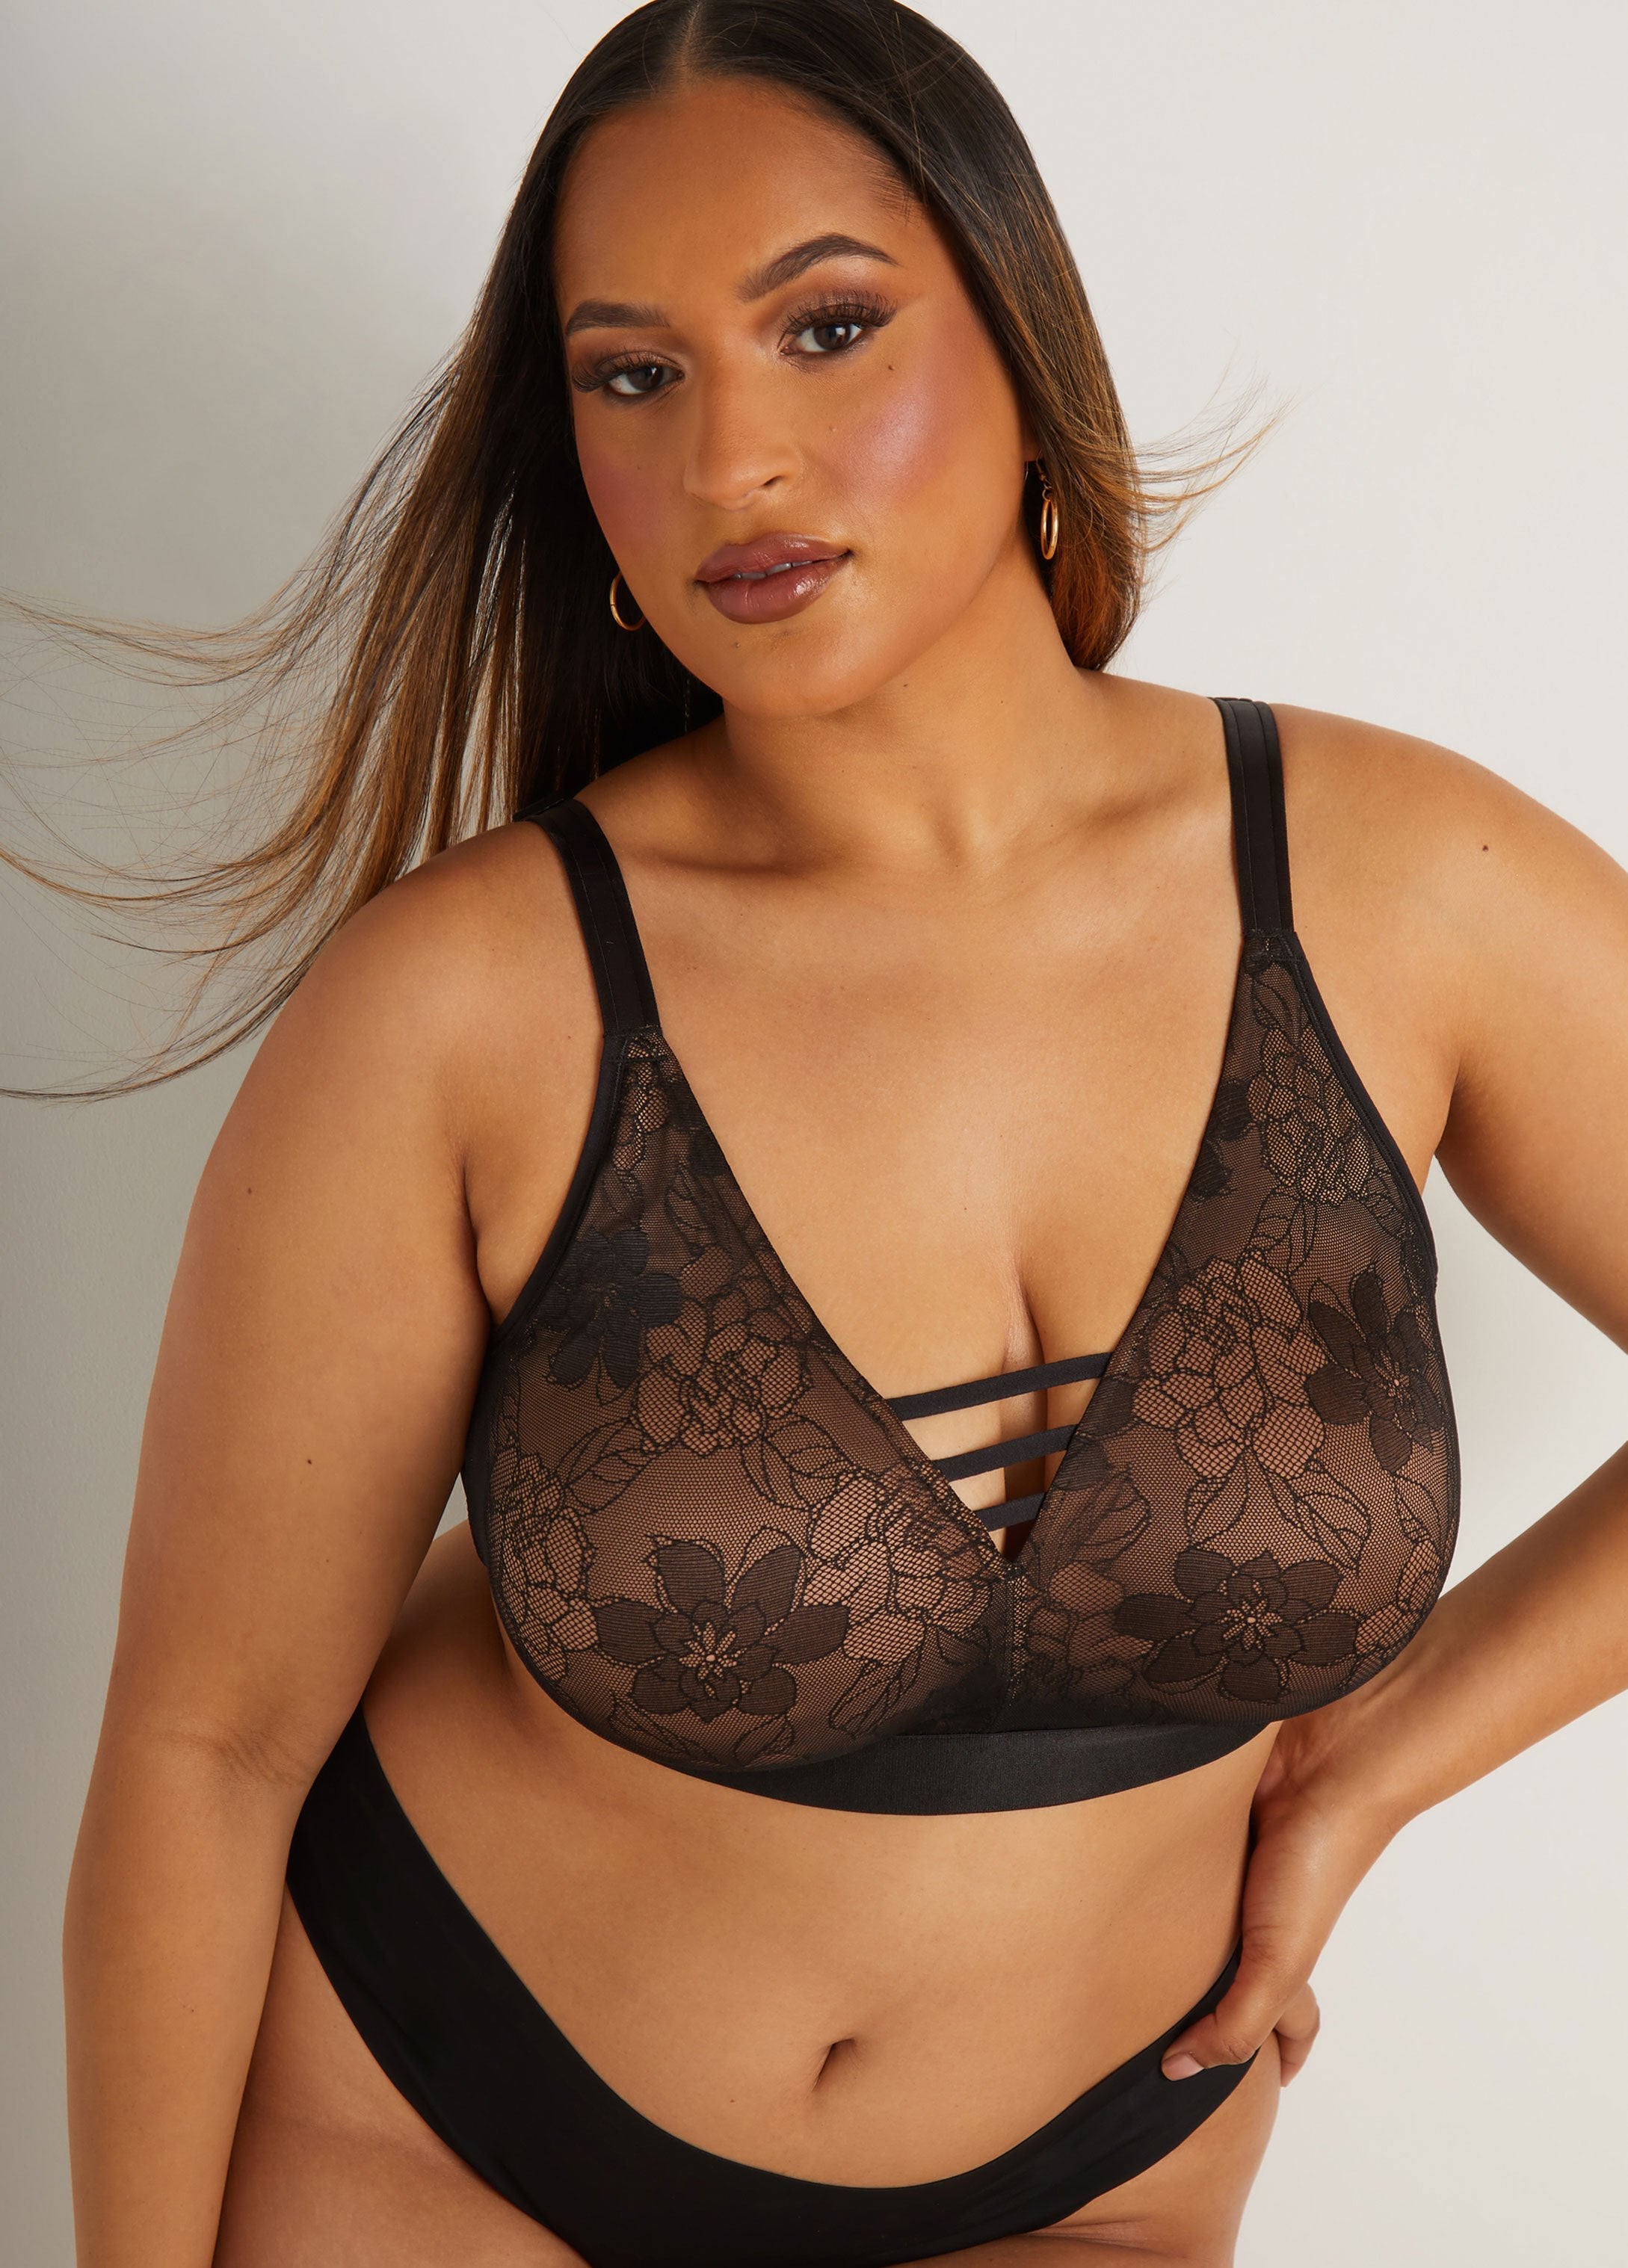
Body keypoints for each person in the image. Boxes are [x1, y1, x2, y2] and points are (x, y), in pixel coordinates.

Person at [55, 4, 1628, 2265]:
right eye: (633, 375)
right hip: (448, 2122)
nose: (732, 461)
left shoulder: (1404, 892)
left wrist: (1377, 1766)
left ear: (1021, 339)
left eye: (824, 327)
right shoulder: (467, 1006)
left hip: (1094, 2173)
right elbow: (205, 1750)